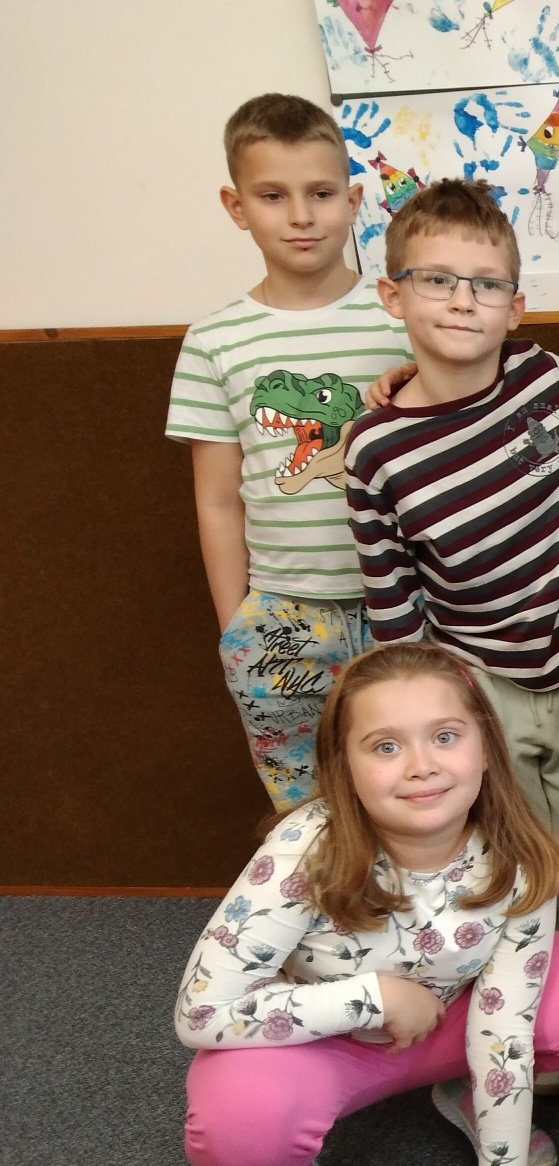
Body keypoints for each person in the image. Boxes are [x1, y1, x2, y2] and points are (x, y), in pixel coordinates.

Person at [176, 642, 559, 1166]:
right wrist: (372, 999)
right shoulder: (304, 851)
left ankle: (463, 1089)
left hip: (453, 1026)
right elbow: (199, 1012)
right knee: (237, 1127)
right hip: (324, 1045)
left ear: (486, 746)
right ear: (344, 767)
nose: (422, 766)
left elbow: (505, 1027)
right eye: (386, 746)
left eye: (445, 737)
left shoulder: (518, 855)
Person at [345, 179, 559, 933]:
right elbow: (390, 596)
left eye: (485, 284)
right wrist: (423, 705)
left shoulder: (548, 377)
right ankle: (549, 979)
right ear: (393, 295)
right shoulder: (375, 448)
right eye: (437, 281)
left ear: (514, 308)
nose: (461, 301)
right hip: (481, 684)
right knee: (521, 854)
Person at [166, 93, 409, 806]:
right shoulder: (214, 341)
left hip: (402, 600)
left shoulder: (401, 319)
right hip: (282, 614)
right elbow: (217, 500)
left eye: (321, 193)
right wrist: (234, 627)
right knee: (307, 808)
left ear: (354, 201)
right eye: (273, 195)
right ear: (237, 206)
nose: (301, 215)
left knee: (418, 790)